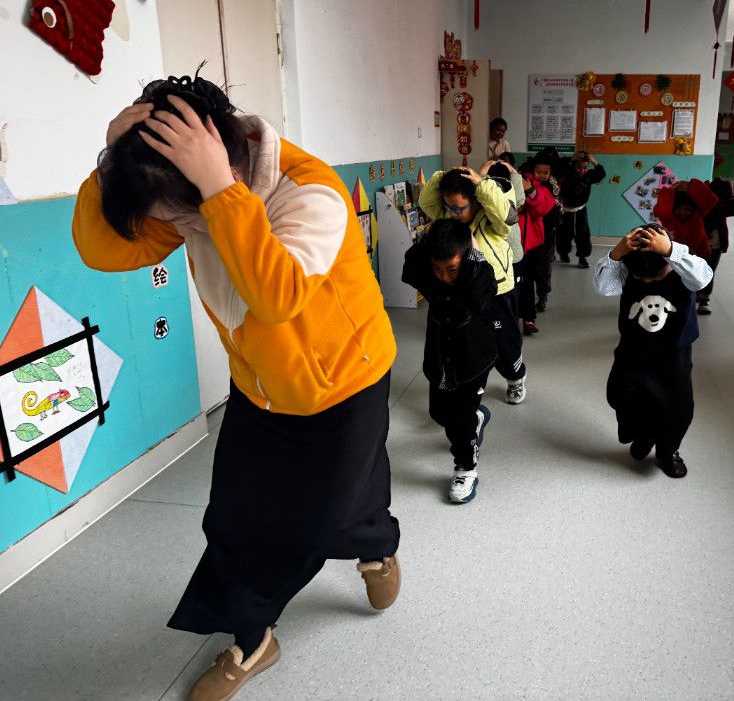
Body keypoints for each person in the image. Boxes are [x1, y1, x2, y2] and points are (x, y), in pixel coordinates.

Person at [72, 73, 400, 701]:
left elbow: (277, 296)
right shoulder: (182, 191)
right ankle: (254, 639)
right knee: (237, 521)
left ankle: (377, 546)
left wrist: (219, 191)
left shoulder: (310, 191)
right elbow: (104, 252)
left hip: (344, 386)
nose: (173, 221)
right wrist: (108, 158)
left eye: (181, 207)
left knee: (329, 517)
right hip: (260, 388)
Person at [593, 224, 713, 476]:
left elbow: (703, 277)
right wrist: (617, 252)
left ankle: (667, 451)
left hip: (673, 356)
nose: (647, 281)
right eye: (641, 278)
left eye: (655, 277)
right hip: (633, 350)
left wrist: (671, 251)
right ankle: (645, 434)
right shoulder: (629, 269)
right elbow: (604, 287)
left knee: (676, 408)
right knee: (621, 396)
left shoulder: (683, 268)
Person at [401, 220, 497, 503]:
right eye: (437, 269)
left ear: (466, 259)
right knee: (440, 414)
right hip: (440, 359)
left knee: (459, 423)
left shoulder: (477, 275)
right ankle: (477, 417)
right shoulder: (430, 274)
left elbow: (479, 295)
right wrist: (429, 239)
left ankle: (466, 468)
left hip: (472, 360)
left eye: (452, 269)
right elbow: (411, 265)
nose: (444, 276)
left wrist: (473, 255)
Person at [419, 163, 528, 405]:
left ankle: (515, 376)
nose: (453, 212)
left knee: (504, 341)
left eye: (459, 207)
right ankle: (473, 386)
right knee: (469, 343)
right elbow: (426, 203)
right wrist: (444, 176)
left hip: (497, 292)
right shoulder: (448, 217)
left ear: (477, 201)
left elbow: (507, 216)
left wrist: (482, 184)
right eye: (449, 206)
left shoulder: (492, 221)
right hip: (466, 295)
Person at [515, 169, 557, 335]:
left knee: (527, 282)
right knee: (508, 285)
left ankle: (528, 318)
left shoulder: (538, 188)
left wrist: (529, 190)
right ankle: (510, 318)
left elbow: (543, 209)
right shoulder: (499, 185)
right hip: (508, 246)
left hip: (531, 246)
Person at [698, 178, 734, 314]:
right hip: (698, 242)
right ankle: (698, 294)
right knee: (697, 269)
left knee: (709, 271)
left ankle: (704, 299)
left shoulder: (723, 206)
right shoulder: (702, 204)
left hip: (715, 245)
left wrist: (732, 196)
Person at [557, 151, 606, 269]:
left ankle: (582, 257)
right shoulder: (566, 173)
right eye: (579, 167)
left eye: (585, 167)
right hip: (564, 210)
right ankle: (564, 253)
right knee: (564, 234)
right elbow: (558, 167)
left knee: (583, 234)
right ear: (573, 165)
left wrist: (593, 161)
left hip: (580, 210)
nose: (582, 170)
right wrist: (570, 158)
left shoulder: (589, 175)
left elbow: (601, 174)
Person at [652, 179, 718, 260]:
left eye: (687, 209)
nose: (682, 212)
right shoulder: (670, 219)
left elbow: (711, 200)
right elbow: (661, 211)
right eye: (678, 209)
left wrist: (689, 185)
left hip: (701, 257)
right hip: (678, 259)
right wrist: (668, 191)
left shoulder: (698, 215)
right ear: (673, 209)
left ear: (694, 209)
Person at [530, 149, 562, 312]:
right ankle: (527, 295)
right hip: (530, 232)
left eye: (545, 173)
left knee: (544, 266)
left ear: (550, 173)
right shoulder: (527, 183)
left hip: (546, 233)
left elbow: (554, 211)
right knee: (529, 266)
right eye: (538, 172)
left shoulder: (553, 186)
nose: (541, 175)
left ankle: (542, 295)